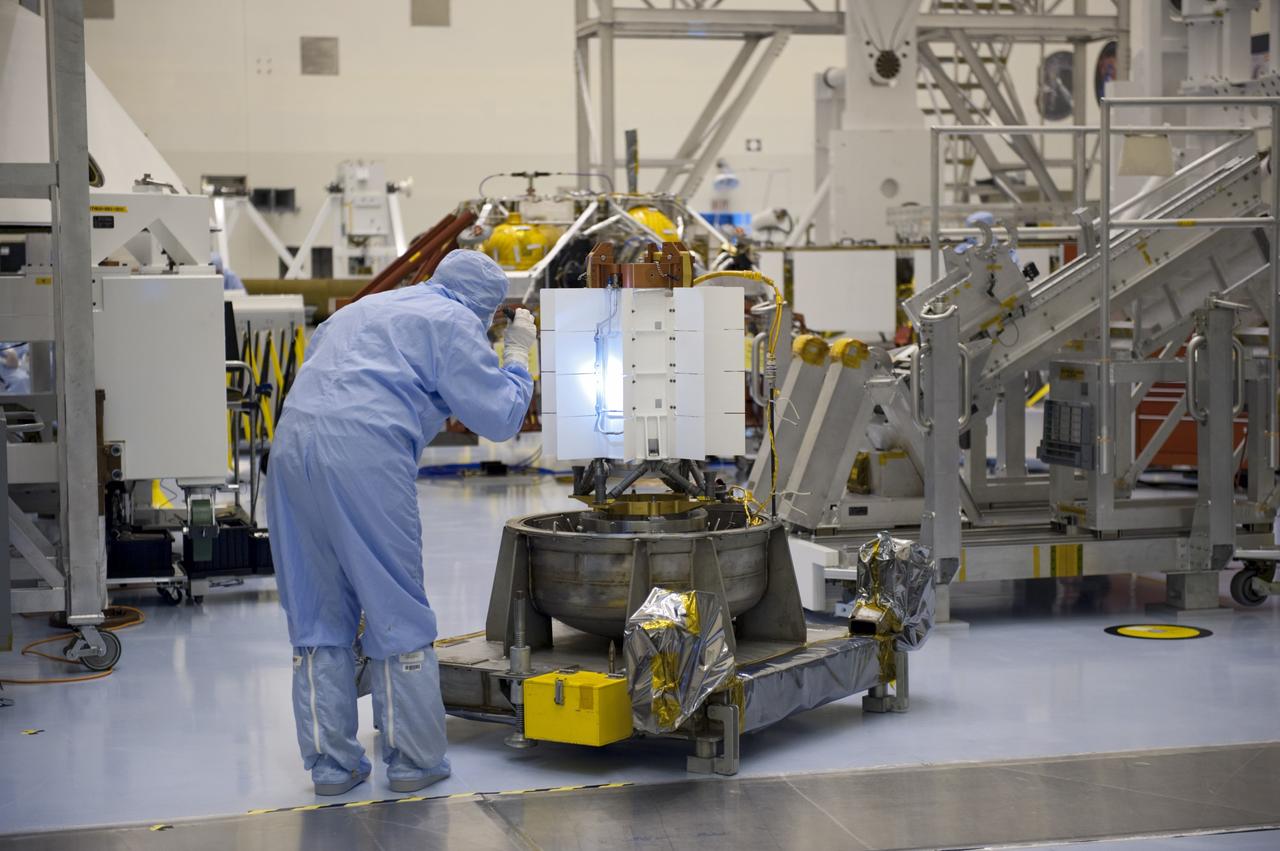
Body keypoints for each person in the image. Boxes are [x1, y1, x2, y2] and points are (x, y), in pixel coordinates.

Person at [266, 249, 536, 796]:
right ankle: (413, 761)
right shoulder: (455, 321)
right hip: (364, 449)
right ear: (485, 308)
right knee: (394, 606)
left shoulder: (364, 308)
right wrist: (518, 355)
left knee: (316, 612)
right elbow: (500, 417)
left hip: (291, 449)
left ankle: (330, 768)